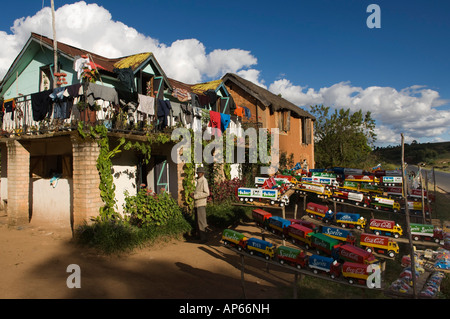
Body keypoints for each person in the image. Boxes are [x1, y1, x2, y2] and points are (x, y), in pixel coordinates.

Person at [192, 166, 210, 243]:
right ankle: (199, 236)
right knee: (197, 221)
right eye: (198, 173)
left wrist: (195, 196)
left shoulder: (203, 181)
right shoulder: (199, 180)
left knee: (202, 221)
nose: (199, 174)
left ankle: (204, 238)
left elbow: (207, 193)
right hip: (197, 203)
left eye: (200, 173)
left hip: (201, 204)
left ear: (202, 173)